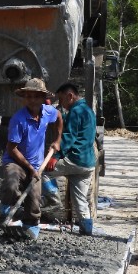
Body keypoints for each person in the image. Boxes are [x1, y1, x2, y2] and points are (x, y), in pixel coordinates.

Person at [0, 78, 63, 241]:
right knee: (12, 185)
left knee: (34, 200)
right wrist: (30, 168)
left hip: (36, 163)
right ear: (24, 98)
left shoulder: (48, 112)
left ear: (43, 98)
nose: (32, 100)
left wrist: (57, 139)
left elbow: (59, 116)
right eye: (28, 96)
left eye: (36, 96)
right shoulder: (18, 120)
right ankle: (5, 209)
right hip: (16, 161)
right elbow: (11, 149)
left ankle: (30, 226)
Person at [48, 82, 97, 235]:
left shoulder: (75, 111)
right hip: (88, 163)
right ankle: (86, 229)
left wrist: (55, 157)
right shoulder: (87, 110)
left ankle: (53, 200)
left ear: (70, 96)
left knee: (40, 172)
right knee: (80, 199)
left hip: (75, 159)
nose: (61, 104)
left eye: (61, 100)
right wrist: (54, 111)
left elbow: (68, 137)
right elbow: (72, 125)